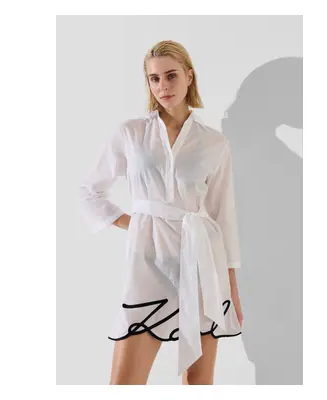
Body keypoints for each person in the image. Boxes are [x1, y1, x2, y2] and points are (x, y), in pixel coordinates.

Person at [78, 40, 244, 385]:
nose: (163, 86)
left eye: (171, 76)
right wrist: (135, 222)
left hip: (202, 265)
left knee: (198, 384)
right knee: (124, 385)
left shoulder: (214, 143)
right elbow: (90, 191)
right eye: (154, 79)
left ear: (189, 77)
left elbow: (223, 218)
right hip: (148, 265)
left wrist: (232, 291)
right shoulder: (132, 133)